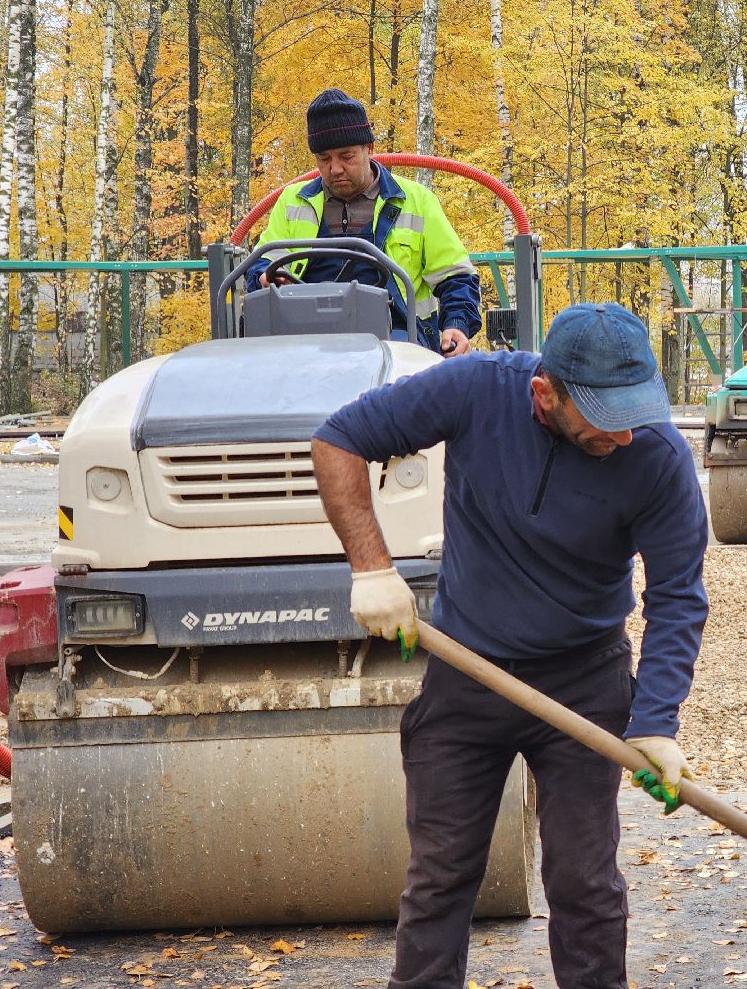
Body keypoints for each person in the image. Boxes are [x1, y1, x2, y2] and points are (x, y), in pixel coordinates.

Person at [310, 302, 708, 989]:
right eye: (603, 420)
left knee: (584, 879)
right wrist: (371, 567)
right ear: (545, 394)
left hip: (585, 680)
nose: (622, 436)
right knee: (442, 876)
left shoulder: (657, 457)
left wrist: (656, 723)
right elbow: (339, 438)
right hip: (469, 675)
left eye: (633, 414)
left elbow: (677, 595)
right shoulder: (476, 389)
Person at [246, 88, 481, 356]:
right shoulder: (293, 202)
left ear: (369, 149)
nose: (335, 168)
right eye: (324, 159)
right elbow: (262, 264)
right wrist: (265, 277)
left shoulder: (417, 201)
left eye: (346, 157)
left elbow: (456, 276)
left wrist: (456, 325)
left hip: (400, 342)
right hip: (304, 341)